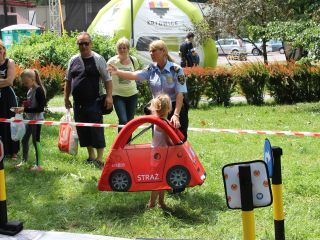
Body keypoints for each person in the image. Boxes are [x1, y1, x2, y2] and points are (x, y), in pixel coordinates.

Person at [108, 39, 189, 141]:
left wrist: (176, 115)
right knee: (159, 141)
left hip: (175, 109)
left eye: (154, 50)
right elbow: (134, 75)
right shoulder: (151, 69)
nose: (151, 53)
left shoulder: (176, 70)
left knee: (177, 141)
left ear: (163, 51)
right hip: (158, 110)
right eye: (150, 51)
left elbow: (179, 94)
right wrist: (117, 72)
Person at [64, 32, 112, 168]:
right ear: (77, 45)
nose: (83, 46)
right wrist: (66, 98)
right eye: (80, 43)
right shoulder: (73, 60)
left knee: (96, 130)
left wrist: (109, 96)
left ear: (91, 44)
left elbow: (107, 79)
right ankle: (91, 156)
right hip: (78, 103)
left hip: (95, 102)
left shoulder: (98, 59)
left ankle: (100, 158)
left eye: (86, 43)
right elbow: (68, 80)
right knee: (83, 130)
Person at [15, 69, 46, 171]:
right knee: (24, 140)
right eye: (24, 83)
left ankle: (39, 165)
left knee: (35, 141)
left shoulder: (39, 90)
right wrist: (23, 108)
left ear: (33, 80)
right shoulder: (30, 90)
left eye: (27, 83)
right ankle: (24, 161)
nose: (25, 85)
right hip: (29, 120)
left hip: (37, 121)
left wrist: (25, 109)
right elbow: (30, 105)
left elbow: (40, 109)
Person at [107, 37, 138, 138]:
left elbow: (136, 73)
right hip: (118, 95)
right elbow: (107, 78)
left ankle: (127, 145)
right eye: (120, 48)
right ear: (117, 49)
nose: (122, 50)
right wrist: (108, 94)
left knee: (129, 122)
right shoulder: (112, 61)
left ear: (128, 49)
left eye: (124, 48)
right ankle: (120, 144)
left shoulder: (134, 60)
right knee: (123, 120)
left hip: (132, 94)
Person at [147, 94, 172, 209]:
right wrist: (176, 146)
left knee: (159, 179)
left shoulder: (156, 121)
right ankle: (155, 203)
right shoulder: (164, 123)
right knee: (161, 180)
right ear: (168, 109)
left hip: (155, 153)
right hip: (162, 154)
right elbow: (167, 141)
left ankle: (157, 202)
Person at [0, 40, 19, 160]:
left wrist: (5, 81)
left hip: (8, 96)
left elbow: (9, 81)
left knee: (11, 122)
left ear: (4, 50)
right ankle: (3, 150)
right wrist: (4, 81)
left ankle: (14, 152)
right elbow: (5, 81)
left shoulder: (9, 62)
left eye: (0, 49)